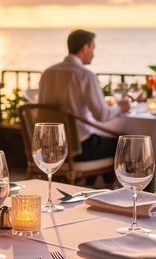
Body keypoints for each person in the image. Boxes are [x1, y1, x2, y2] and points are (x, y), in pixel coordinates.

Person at [38, 29, 131, 161]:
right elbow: (102, 115)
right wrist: (121, 107)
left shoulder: (47, 73)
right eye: (93, 48)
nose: (94, 53)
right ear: (85, 48)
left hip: (49, 147)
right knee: (126, 145)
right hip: (78, 149)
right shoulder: (85, 76)